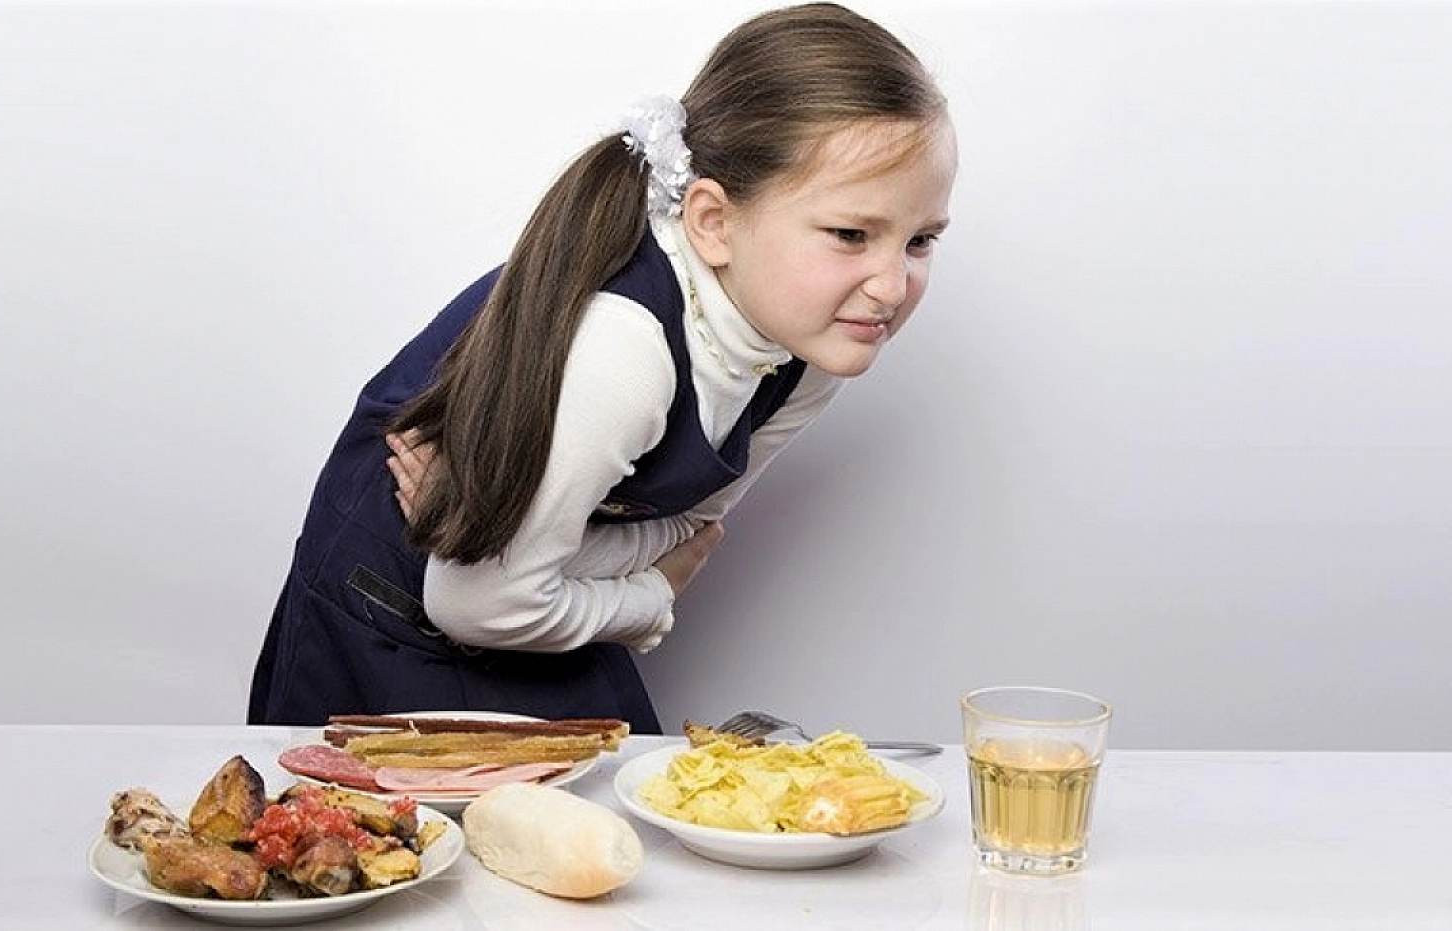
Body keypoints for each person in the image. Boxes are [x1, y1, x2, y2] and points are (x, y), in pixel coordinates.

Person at [248, 2, 957, 732]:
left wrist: (561, 562)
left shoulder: (818, 348)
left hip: (540, 619)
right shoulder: (624, 351)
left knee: (619, 835)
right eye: (850, 233)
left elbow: (691, 533)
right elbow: (477, 600)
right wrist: (649, 598)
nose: (892, 286)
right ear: (714, 222)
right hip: (386, 620)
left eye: (921, 240)